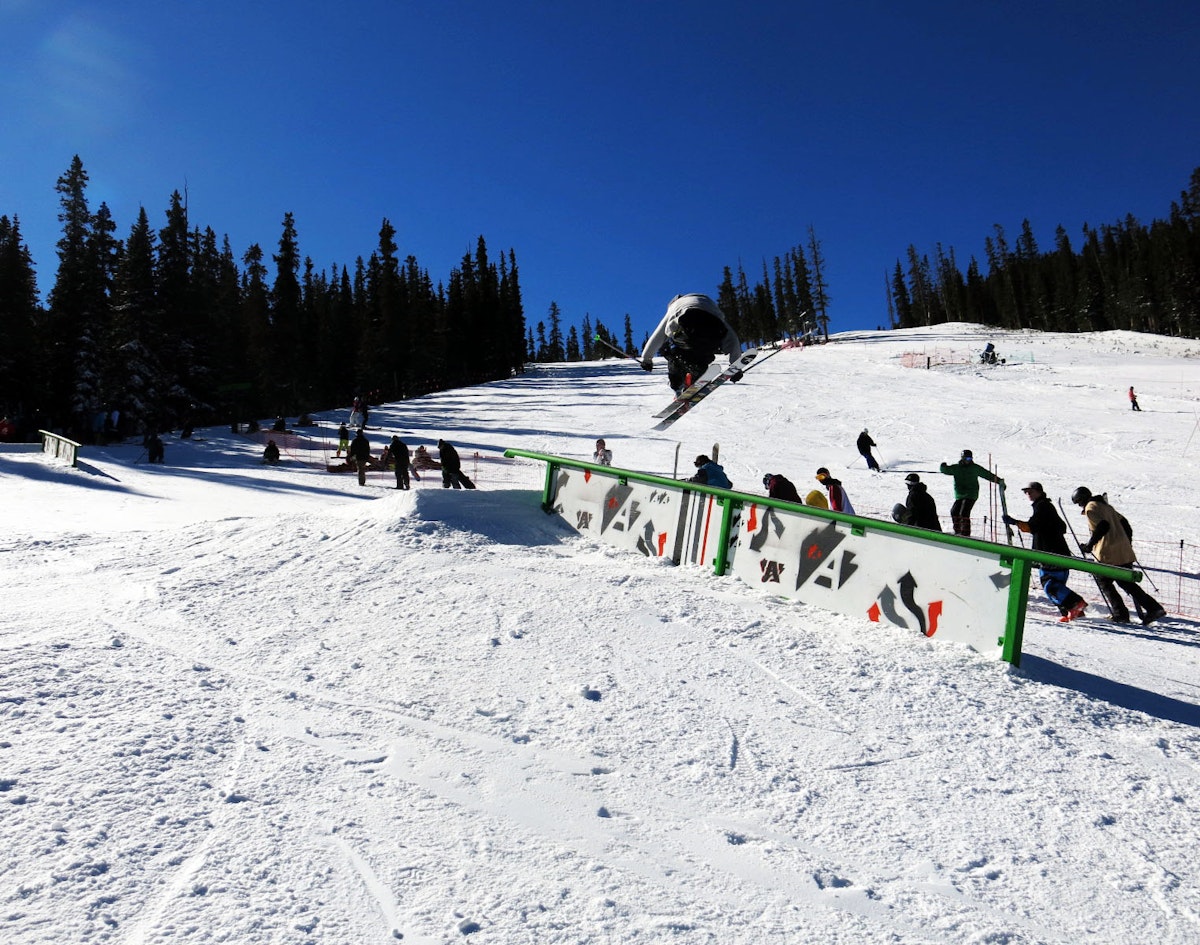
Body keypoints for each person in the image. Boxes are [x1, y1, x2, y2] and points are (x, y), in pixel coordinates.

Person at [1072, 486, 1166, 624]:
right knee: (1126, 582)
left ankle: (1120, 614)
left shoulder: (1090, 508)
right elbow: (1125, 523)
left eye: (1079, 502)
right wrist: (1126, 542)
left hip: (1108, 553)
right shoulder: (1106, 506)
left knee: (1103, 581)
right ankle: (1153, 608)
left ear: (1082, 499)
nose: (1080, 505)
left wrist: (1089, 545)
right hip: (1123, 551)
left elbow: (1103, 526)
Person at [1003, 482, 1088, 622]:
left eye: (1031, 491)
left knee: (1050, 585)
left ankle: (1075, 604)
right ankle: (1072, 612)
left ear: (1039, 492)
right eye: (1026, 492)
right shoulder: (1043, 506)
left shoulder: (1043, 506)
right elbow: (1058, 526)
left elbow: (1032, 526)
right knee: (1053, 584)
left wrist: (1015, 522)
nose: (1028, 494)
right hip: (1055, 551)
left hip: (1052, 553)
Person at [639, 293, 743, 393]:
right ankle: (698, 373)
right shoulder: (710, 307)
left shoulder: (675, 306)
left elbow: (658, 335)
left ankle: (677, 381)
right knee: (702, 353)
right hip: (712, 334)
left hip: (687, 329)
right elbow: (732, 338)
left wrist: (646, 359)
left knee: (675, 353)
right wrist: (736, 366)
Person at [938, 448, 1004, 536]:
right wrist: (943, 466)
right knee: (954, 511)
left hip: (971, 494)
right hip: (960, 495)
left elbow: (987, 474)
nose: (968, 461)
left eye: (970, 459)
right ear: (962, 458)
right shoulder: (956, 468)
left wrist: (999, 481)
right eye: (966, 459)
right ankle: (957, 531)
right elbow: (945, 470)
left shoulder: (975, 468)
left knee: (964, 512)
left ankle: (965, 534)